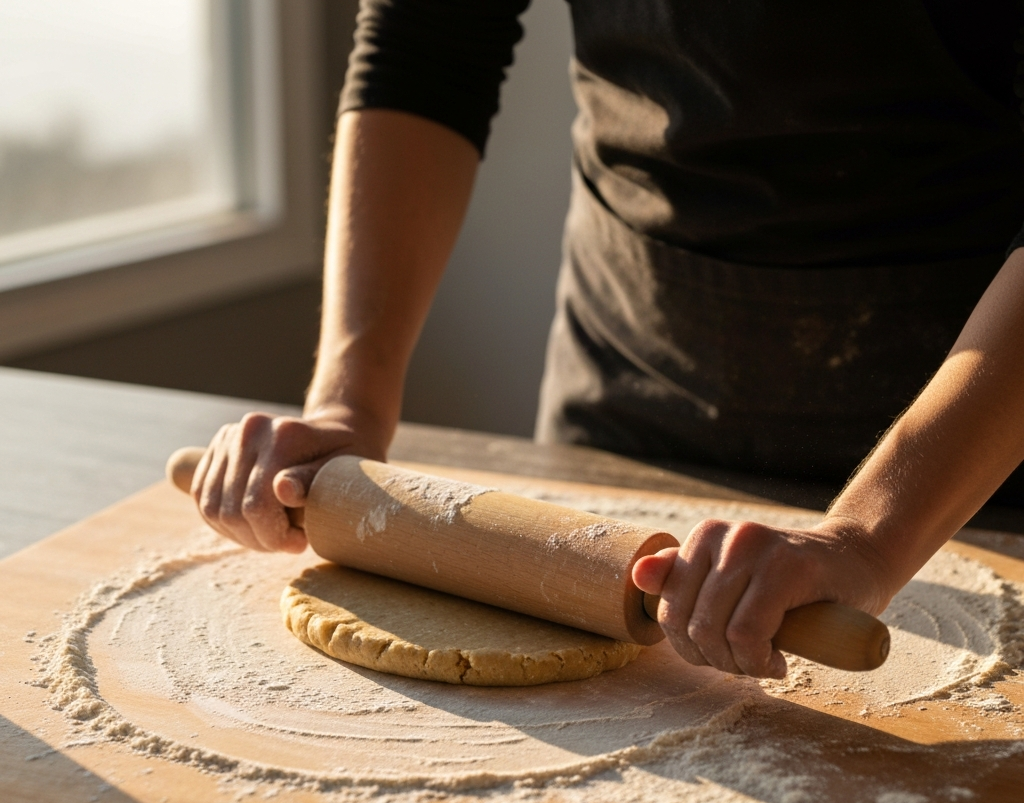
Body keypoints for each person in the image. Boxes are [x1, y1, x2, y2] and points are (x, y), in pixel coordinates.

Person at [190, 1, 1024, 679]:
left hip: (980, 439)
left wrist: (869, 536)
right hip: (627, 383)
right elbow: (426, 46)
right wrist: (348, 399)